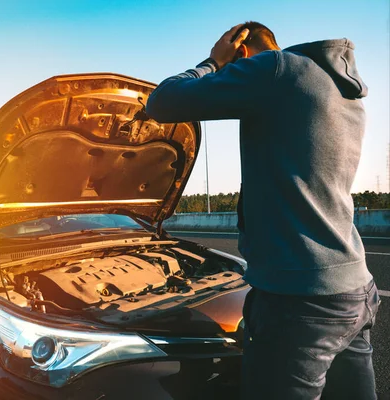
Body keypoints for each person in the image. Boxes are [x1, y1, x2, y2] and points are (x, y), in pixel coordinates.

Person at [146, 22, 380, 399]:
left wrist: (213, 62)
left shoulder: (275, 70)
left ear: (240, 50)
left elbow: (163, 101)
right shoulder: (341, 89)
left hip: (299, 302)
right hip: (355, 289)